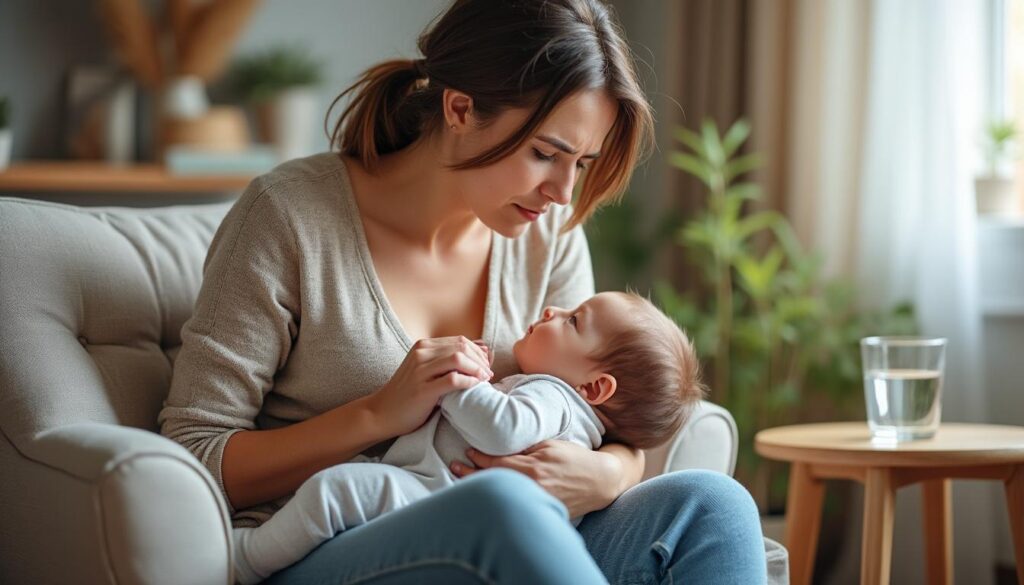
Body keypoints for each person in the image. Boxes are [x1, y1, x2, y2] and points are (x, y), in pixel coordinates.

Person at [159, 0, 768, 583]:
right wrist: (375, 414)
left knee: (713, 504)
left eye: (581, 164)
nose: (562, 191)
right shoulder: (287, 218)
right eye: (544, 154)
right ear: (458, 109)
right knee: (500, 509)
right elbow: (193, 456)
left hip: (533, 538)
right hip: (329, 543)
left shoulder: (545, 231)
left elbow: (606, 419)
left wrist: (606, 474)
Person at [231, 292, 705, 584]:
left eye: (573, 320)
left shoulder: (554, 397)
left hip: (432, 495)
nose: (552, 309)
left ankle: (246, 562)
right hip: (439, 509)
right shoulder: (569, 405)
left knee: (337, 490)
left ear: (595, 388)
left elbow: (502, 429)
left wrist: (456, 380)